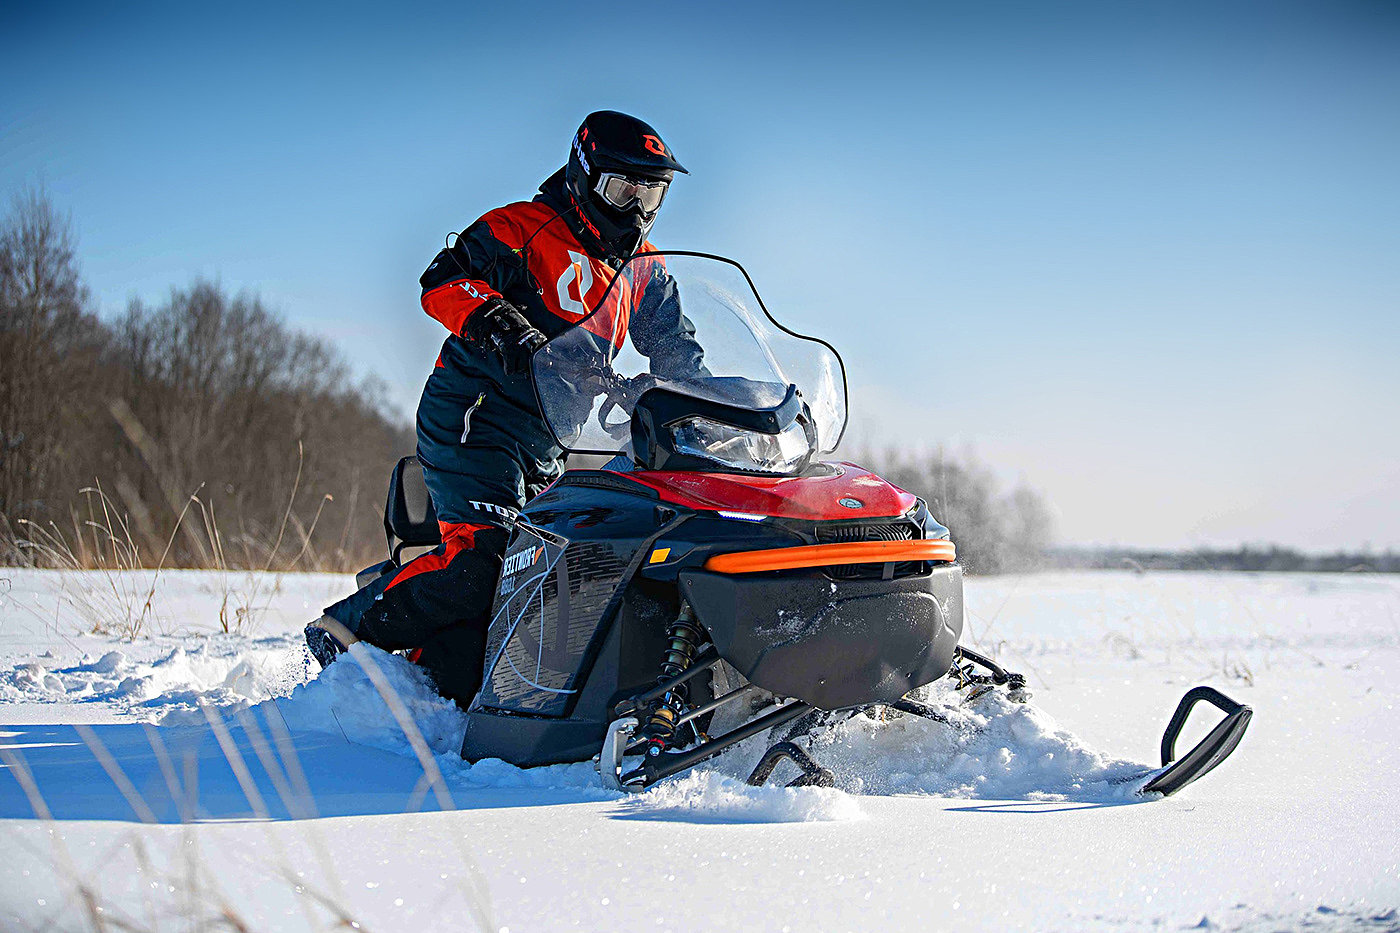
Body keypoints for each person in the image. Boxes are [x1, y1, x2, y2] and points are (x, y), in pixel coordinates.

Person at [306, 110, 705, 706]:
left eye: (653, 193)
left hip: (549, 436)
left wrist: (702, 400)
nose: (638, 211)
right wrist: (498, 323)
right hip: (475, 413)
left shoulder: (645, 270)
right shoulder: (522, 227)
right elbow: (443, 280)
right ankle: (345, 630)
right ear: (585, 174)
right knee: (487, 557)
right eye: (623, 190)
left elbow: (677, 349)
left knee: (549, 566)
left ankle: (471, 674)